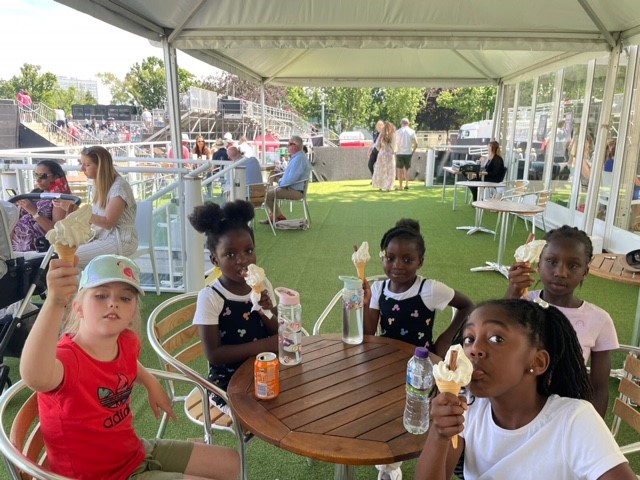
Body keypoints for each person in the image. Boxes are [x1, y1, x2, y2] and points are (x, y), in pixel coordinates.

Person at [20, 254, 240, 480]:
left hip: (133, 453)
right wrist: (55, 302)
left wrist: (149, 381)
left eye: (125, 298)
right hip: (99, 476)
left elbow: (127, 362)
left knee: (233, 463)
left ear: (133, 311)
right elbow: (35, 376)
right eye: (101, 295)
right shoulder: (67, 360)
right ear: (78, 308)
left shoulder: (126, 341)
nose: (113, 302)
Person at [415, 299, 634, 480]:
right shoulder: (468, 408)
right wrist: (439, 433)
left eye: (496, 338)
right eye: (469, 339)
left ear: (538, 362)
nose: (475, 349)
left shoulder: (573, 420)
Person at [505, 226, 618, 417]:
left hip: (565, 414)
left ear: (585, 272)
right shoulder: (520, 305)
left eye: (573, 265)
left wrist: (592, 430)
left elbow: (599, 388)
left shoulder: (599, 320)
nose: (561, 272)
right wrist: (512, 294)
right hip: (516, 409)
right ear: (539, 264)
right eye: (551, 261)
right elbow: (495, 341)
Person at [189, 200, 278, 413]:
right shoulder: (211, 297)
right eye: (230, 254)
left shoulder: (262, 284)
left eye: (248, 251)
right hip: (227, 379)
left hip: (265, 366)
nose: (243, 260)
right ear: (215, 260)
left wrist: (264, 309)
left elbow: (277, 332)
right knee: (259, 413)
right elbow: (214, 354)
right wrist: (265, 346)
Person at [364, 218, 474, 358]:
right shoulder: (379, 289)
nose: (397, 265)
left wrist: (446, 339)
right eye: (390, 258)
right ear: (382, 258)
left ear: (420, 262)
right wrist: (365, 305)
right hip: (387, 359)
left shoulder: (429, 289)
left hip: (421, 364)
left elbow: (467, 305)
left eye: (407, 260)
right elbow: (369, 334)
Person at [73, 146, 138, 269]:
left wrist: (80, 213)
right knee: (60, 251)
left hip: (121, 240)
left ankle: (83, 287)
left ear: (100, 166)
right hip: (102, 236)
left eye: (86, 165)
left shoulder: (119, 188)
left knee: (67, 258)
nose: (82, 168)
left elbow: (108, 222)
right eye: (81, 164)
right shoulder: (100, 186)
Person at [12, 160, 73, 252]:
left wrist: (33, 211)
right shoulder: (35, 193)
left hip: (38, 249)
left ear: (56, 177)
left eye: (42, 176)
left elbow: (56, 231)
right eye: (36, 175)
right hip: (16, 246)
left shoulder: (59, 198)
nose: (38, 179)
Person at [261, 135, 311, 224]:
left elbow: (291, 178)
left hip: (295, 191)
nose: (287, 146)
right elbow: (291, 177)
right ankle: (277, 215)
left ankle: (277, 216)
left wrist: (280, 182)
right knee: (266, 191)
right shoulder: (298, 157)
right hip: (292, 188)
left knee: (267, 194)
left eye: (289, 144)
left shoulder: (299, 159)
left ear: (295, 146)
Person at [371, 121, 396, 192]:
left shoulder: (381, 134)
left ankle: (381, 185)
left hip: (382, 153)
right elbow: (394, 145)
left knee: (381, 169)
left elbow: (377, 144)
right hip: (389, 153)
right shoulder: (393, 134)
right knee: (390, 171)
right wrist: (394, 150)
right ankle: (389, 187)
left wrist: (380, 149)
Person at [394, 118, 418, 191]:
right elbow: (416, 143)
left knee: (400, 170)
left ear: (401, 123)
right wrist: (413, 151)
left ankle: (400, 186)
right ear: (408, 123)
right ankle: (407, 184)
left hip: (399, 152)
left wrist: (395, 151)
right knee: (407, 169)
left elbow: (394, 143)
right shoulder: (412, 131)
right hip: (408, 153)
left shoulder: (397, 132)